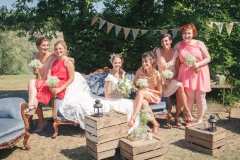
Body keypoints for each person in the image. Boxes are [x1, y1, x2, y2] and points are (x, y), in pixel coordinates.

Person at [58, 54, 139, 134]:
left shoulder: (122, 73)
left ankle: (127, 125)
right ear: (112, 63)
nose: (117, 65)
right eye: (115, 63)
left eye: (119, 63)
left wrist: (126, 89)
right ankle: (123, 127)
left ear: (121, 63)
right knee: (127, 104)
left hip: (119, 98)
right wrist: (119, 93)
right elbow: (107, 95)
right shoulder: (110, 77)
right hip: (111, 100)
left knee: (131, 103)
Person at [25, 40, 75, 129]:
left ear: (65, 49)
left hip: (60, 85)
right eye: (56, 49)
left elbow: (71, 78)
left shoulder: (67, 62)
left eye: (60, 48)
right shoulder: (54, 60)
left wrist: (59, 89)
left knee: (36, 91)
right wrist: (48, 82)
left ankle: (29, 116)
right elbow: (49, 73)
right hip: (51, 82)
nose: (58, 51)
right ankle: (31, 107)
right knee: (32, 82)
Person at [154, 33, 194, 127]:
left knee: (180, 85)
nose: (164, 43)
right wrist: (159, 79)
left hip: (171, 79)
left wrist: (170, 78)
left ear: (170, 41)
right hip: (160, 81)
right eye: (162, 41)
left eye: (166, 41)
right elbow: (153, 67)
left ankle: (186, 111)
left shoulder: (176, 52)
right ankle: (175, 117)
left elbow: (177, 69)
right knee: (169, 97)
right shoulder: (157, 51)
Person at [174, 23, 211, 124]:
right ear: (182, 34)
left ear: (193, 34)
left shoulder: (199, 44)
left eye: (189, 33)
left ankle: (199, 119)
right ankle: (189, 118)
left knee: (200, 97)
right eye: (184, 33)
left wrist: (198, 64)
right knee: (189, 97)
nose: (186, 35)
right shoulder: (178, 45)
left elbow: (208, 58)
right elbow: (172, 57)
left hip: (200, 72)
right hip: (186, 74)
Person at [128, 52, 161, 135]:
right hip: (142, 95)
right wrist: (136, 88)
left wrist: (147, 90)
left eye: (146, 61)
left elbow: (160, 92)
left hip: (154, 95)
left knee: (141, 92)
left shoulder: (157, 74)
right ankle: (155, 124)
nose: (144, 64)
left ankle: (133, 117)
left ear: (152, 61)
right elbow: (134, 83)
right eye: (142, 62)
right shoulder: (140, 70)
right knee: (143, 103)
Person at [28, 37, 56, 132]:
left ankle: (30, 118)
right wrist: (35, 71)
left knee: (34, 93)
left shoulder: (52, 55)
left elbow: (64, 57)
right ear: (38, 46)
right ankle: (38, 120)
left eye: (47, 45)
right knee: (33, 94)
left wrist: (70, 60)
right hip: (39, 81)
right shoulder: (35, 57)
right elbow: (35, 73)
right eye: (43, 45)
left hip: (48, 83)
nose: (46, 47)